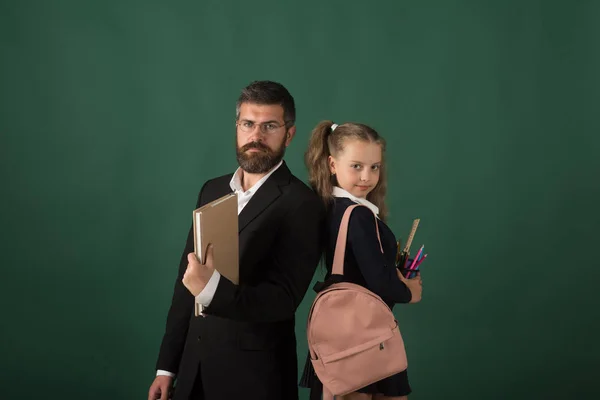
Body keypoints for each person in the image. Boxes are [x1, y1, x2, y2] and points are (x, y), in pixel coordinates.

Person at [148, 81, 325, 400]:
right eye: (248, 124)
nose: (256, 136)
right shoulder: (212, 190)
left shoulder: (302, 204)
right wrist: (167, 368)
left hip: (254, 380)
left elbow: (282, 300)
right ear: (237, 127)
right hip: (192, 374)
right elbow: (184, 283)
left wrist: (210, 288)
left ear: (289, 134)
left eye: (269, 126)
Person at [299, 121, 423, 400]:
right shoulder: (359, 215)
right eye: (356, 166)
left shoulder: (331, 208)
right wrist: (409, 292)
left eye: (374, 167)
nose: (366, 176)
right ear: (332, 164)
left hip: (341, 338)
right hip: (366, 340)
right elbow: (379, 282)